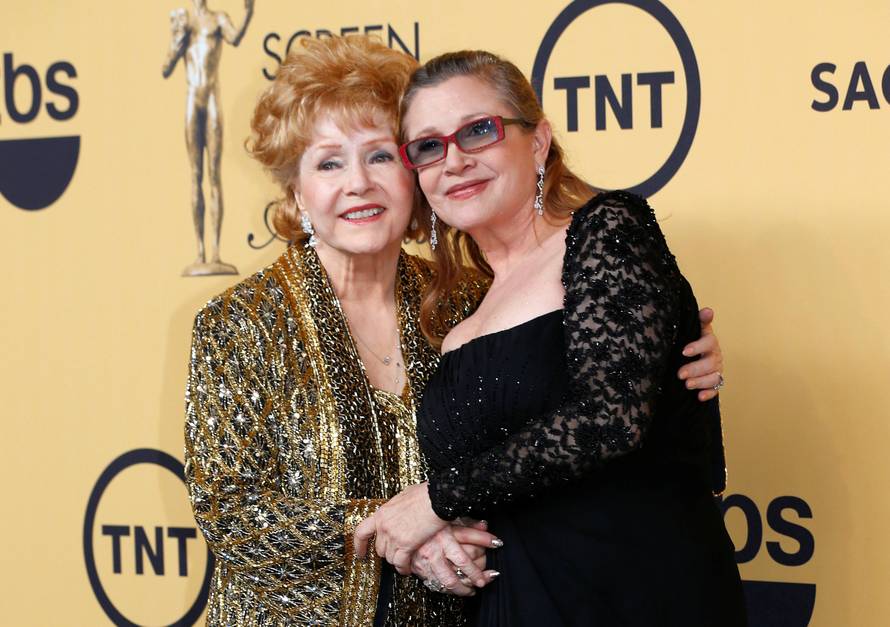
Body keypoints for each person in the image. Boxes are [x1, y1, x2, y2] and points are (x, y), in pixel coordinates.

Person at [184, 36, 726, 626]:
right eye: (329, 163)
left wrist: (674, 358)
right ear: (297, 191)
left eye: (381, 156)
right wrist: (394, 530)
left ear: (412, 177)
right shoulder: (241, 321)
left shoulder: (462, 300)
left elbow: (586, 401)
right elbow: (228, 508)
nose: (358, 183)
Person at [354, 49, 746, 626]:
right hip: (515, 604)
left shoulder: (606, 231)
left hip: (636, 594)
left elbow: (611, 419)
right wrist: (444, 539)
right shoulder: (460, 313)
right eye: (429, 146)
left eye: (478, 131)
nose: (454, 160)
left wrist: (436, 501)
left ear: (537, 142)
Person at [162, 0, 254, 276]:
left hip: (212, 97)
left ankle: (215, 252)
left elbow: (235, 38)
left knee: (214, 175)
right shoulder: (183, 23)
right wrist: (177, 42)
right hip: (193, 100)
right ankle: (200, 252)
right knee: (195, 175)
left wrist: (248, 12)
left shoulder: (218, 19)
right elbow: (166, 68)